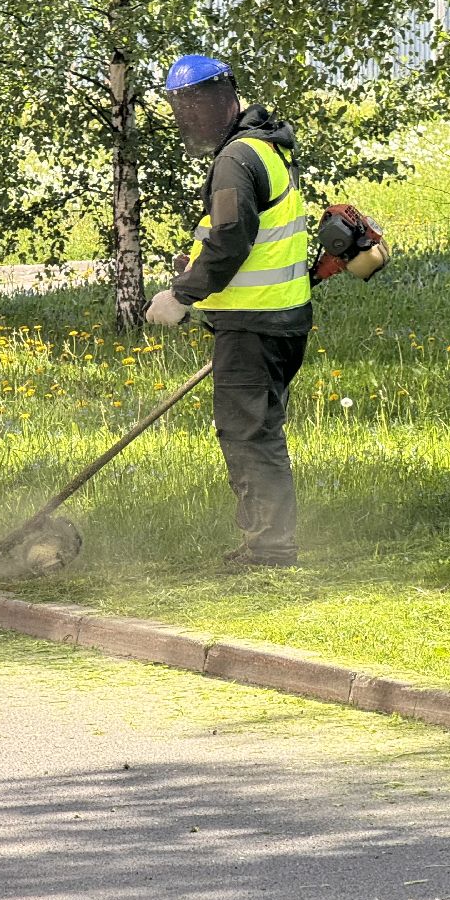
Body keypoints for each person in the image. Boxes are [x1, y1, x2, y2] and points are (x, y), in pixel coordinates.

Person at [146, 54, 311, 569]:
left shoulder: (236, 158)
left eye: (196, 104)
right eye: (182, 107)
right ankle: (269, 541)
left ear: (222, 97)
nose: (189, 117)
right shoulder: (266, 148)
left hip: (254, 323)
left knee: (248, 434)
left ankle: (269, 549)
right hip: (277, 319)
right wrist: (193, 264)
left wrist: (181, 295)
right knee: (257, 429)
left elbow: (231, 241)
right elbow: (248, 236)